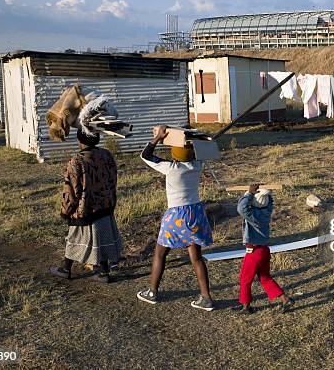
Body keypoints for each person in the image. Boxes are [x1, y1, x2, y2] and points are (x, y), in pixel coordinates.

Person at [137, 125, 214, 311]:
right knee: (196, 258)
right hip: (195, 213)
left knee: (160, 254)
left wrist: (158, 138)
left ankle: (152, 292)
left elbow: (145, 156)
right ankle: (206, 298)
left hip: (176, 215)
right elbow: (201, 150)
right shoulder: (197, 165)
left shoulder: (170, 168)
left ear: (174, 154)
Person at [50, 129, 122, 283]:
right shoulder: (106, 155)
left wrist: (66, 211)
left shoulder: (76, 161)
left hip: (85, 209)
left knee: (74, 239)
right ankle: (104, 272)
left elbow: (71, 190)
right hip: (105, 206)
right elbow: (113, 180)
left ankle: (66, 269)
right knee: (101, 238)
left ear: (79, 140)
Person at [235, 184, 292, 314]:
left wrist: (249, 193)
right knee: (265, 277)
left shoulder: (252, 216)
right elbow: (270, 202)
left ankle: (246, 306)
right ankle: (285, 299)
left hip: (254, 251)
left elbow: (241, 208)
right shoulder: (267, 211)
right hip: (264, 250)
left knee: (245, 278)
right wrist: (267, 194)